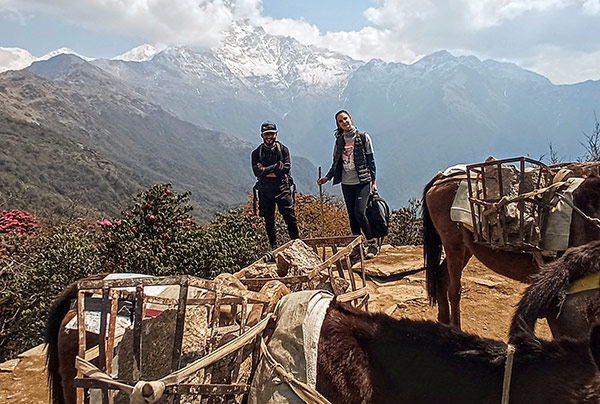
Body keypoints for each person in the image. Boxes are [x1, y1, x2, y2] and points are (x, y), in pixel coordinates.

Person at [317, 110, 379, 259]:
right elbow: (336, 163)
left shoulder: (363, 137)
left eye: (345, 119)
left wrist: (374, 182)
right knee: (352, 216)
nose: (344, 122)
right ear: (338, 124)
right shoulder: (339, 141)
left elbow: (371, 161)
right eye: (340, 121)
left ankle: (372, 243)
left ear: (350, 118)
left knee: (359, 212)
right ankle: (357, 247)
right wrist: (328, 177)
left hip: (362, 181)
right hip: (346, 183)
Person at [252, 121, 299, 251]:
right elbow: (257, 172)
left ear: (276, 134)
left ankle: (297, 244)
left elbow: (286, 168)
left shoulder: (283, 150)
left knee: (290, 218)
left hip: (282, 189)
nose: (269, 137)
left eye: (271, 134)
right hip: (265, 191)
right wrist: (276, 167)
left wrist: (265, 170)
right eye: (266, 134)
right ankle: (274, 248)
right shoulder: (257, 153)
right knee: (269, 221)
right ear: (262, 135)